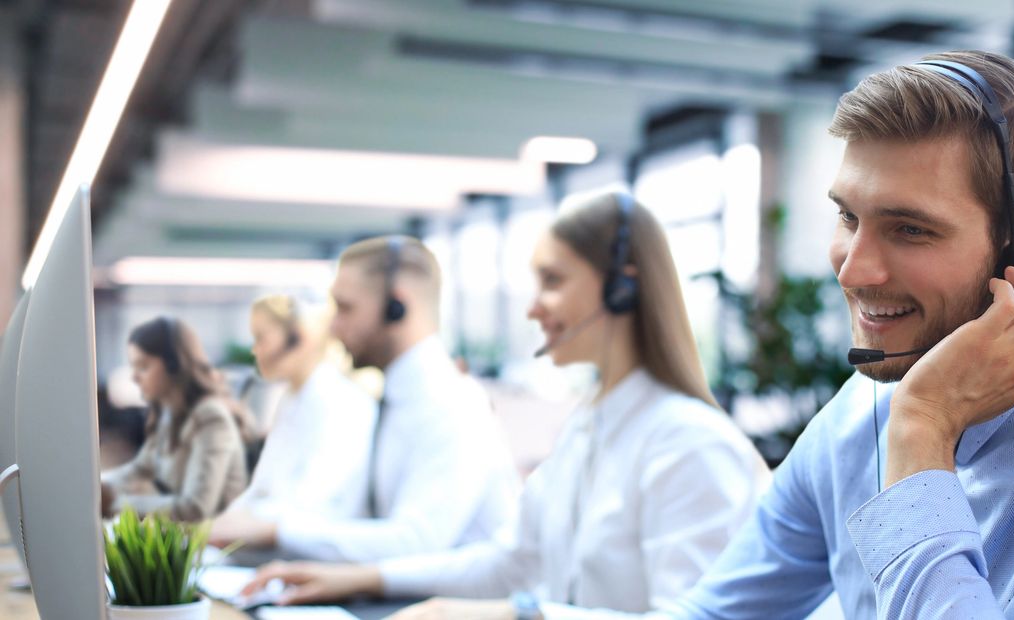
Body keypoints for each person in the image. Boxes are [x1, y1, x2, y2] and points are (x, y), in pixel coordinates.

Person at [667, 50, 1014, 619]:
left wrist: (922, 431)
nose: (851, 270)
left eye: (910, 229)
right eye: (848, 217)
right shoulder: (852, 418)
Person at [241, 194, 771, 619]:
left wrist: (521, 615)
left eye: (553, 281)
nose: (532, 307)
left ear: (621, 288)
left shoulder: (689, 442)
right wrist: (363, 579)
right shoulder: (588, 427)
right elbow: (511, 561)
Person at [209, 236, 518, 563]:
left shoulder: (453, 405)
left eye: (345, 308)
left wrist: (277, 530)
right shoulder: (395, 401)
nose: (333, 329)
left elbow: (417, 542)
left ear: (396, 308)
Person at [209, 295, 377, 541]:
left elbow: (316, 509)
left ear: (299, 337)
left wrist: (229, 527)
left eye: (261, 338)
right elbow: (261, 490)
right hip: (274, 544)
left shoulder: (341, 402)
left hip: (311, 554)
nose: (256, 350)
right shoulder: (291, 400)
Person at [101, 316, 251, 521]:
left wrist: (117, 505)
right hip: (189, 540)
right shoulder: (170, 415)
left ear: (174, 365)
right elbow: (140, 468)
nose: (134, 377)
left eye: (143, 366)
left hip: (218, 543)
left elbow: (195, 508)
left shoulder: (210, 417)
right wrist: (98, 485)